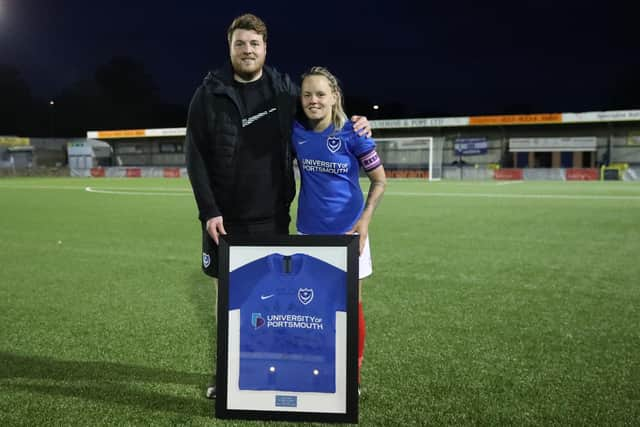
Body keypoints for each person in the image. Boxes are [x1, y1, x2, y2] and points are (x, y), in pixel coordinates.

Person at [184, 14, 371, 400]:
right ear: (230, 47)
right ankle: (227, 376)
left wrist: (356, 124)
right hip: (224, 219)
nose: (247, 50)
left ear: (265, 48)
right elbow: (195, 156)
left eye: (254, 43)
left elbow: (319, 114)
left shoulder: (284, 89)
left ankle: (267, 371)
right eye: (240, 43)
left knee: (269, 301)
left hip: (272, 216)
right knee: (228, 304)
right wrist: (209, 211)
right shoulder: (209, 92)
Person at [292, 66, 386, 395]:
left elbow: (379, 179)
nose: (313, 100)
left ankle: (353, 374)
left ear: (334, 97)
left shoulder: (354, 134)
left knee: (351, 303)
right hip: (308, 233)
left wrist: (364, 222)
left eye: (320, 94)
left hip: (349, 234)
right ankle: (319, 365)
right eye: (307, 94)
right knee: (314, 305)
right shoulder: (295, 131)